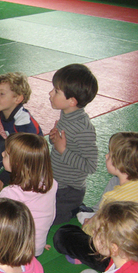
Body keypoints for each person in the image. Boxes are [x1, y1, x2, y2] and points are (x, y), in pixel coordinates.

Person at [53, 132, 138, 271]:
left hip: (120, 260)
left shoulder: (114, 198)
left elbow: (96, 233)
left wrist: (87, 225)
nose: (106, 155)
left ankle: (88, 259)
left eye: (110, 154)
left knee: (63, 235)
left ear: (121, 164)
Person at [48, 64, 99, 225]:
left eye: (56, 91)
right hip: (54, 180)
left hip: (68, 191)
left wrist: (62, 150)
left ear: (71, 101)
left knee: (47, 218)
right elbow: (63, 145)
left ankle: (75, 209)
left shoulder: (83, 128)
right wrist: (54, 139)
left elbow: (91, 165)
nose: (50, 93)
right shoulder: (67, 114)